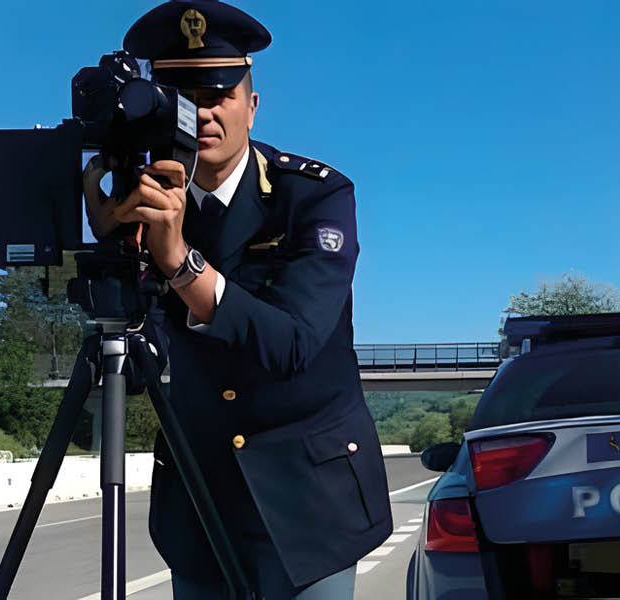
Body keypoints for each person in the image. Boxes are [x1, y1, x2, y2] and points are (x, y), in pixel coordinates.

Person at [84, 1, 392, 598]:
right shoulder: (138, 204)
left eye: (218, 92)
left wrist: (178, 263)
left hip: (309, 503)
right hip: (199, 502)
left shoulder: (310, 197)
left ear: (252, 105)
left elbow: (294, 341)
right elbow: (128, 347)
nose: (201, 111)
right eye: (179, 96)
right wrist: (106, 242)